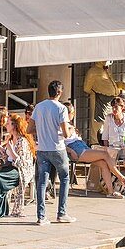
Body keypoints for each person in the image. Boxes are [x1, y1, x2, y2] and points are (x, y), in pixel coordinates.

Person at [31, 80, 76, 226]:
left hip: (42, 148)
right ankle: (61, 213)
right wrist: (69, 129)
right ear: (60, 92)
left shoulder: (39, 107)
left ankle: (41, 216)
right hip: (57, 148)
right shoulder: (61, 108)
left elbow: (29, 129)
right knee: (64, 178)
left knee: (42, 181)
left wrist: (43, 129)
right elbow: (65, 133)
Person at [0, 114, 36, 218]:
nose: (6, 125)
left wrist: (11, 149)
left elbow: (21, 162)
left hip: (20, 171)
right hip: (10, 167)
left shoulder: (22, 141)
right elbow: (7, 159)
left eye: (8, 123)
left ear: (14, 126)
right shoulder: (11, 139)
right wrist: (0, 148)